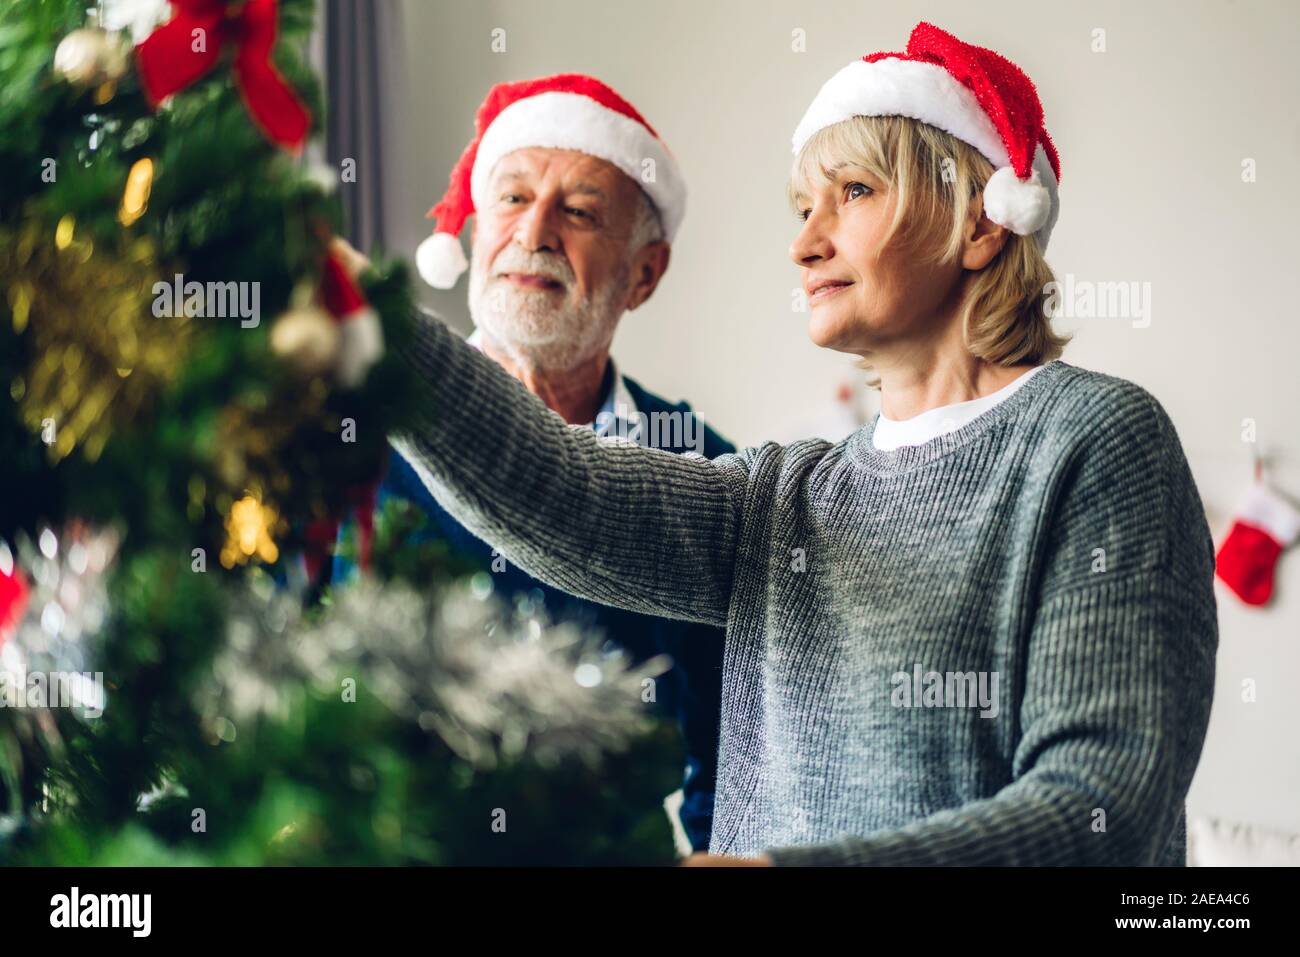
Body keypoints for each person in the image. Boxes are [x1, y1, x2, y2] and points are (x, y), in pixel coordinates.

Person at [385, 24, 1218, 865]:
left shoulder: (1097, 441)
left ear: (981, 223)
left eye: (852, 190)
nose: (805, 242)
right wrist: (365, 326)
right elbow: (561, 488)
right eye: (803, 207)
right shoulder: (787, 492)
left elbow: (1103, 807)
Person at [333, 74, 732, 853]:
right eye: (512, 199)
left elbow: (731, 763)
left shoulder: (706, 474)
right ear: (478, 234)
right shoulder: (353, 431)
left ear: (644, 273)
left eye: (580, 212)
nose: (536, 231)